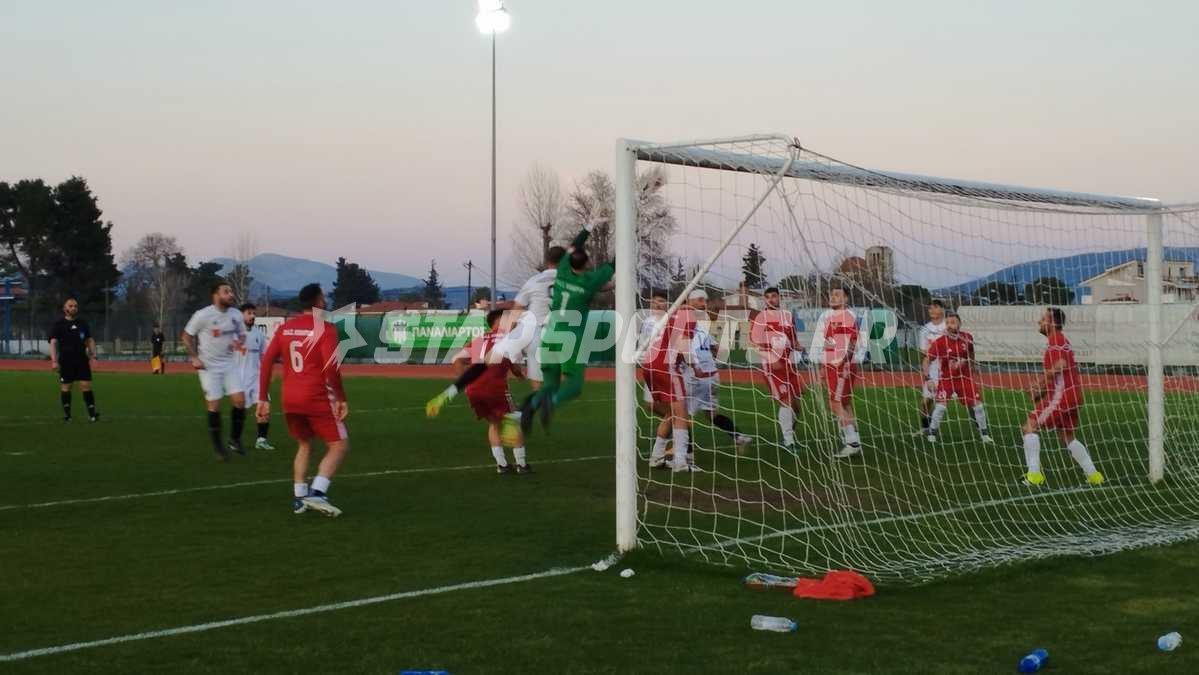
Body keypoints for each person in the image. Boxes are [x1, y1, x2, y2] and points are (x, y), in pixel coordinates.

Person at [257, 283, 350, 516]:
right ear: (318, 301)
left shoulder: (285, 328)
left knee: (304, 443)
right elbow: (331, 367)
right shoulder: (325, 329)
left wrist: (263, 397)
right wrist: (340, 397)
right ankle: (317, 493)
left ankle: (299, 498)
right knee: (339, 445)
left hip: (290, 398)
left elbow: (267, 361)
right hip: (316, 396)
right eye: (323, 297)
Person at [521, 223, 615, 432]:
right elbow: (613, 265)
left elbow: (574, 246)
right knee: (574, 386)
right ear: (587, 263)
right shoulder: (589, 281)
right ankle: (551, 403)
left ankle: (531, 407)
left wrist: (588, 228)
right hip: (570, 339)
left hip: (549, 335)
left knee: (550, 385)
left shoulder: (562, 271)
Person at [1020, 308, 1103, 487]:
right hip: (1073, 395)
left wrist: (1038, 382)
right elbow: (1059, 374)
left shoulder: (1056, 339)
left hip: (1062, 396)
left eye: (1043, 319)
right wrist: (1041, 392)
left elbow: (1061, 365)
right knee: (1067, 437)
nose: (1039, 322)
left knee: (1029, 426)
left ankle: (1034, 476)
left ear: (1053, 322)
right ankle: (1094, 476)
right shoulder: (1061, 340)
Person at [448, 309, 531, 474]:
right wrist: (520, 375)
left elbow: (457, 360)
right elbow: (516, 368)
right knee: (513, 422)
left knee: (494, 423)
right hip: (495, 388)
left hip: (474, 390)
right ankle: (521, 464)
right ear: (498, 320)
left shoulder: (480, 339)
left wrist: (466, 380)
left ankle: (502, 465)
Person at [182, 281, 247, 460]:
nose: (231, 294)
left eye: (231, 291)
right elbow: (186, 336)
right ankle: (218, 448)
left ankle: (235, 439)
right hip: (208, 367)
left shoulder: (236, 314)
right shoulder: (203, 315)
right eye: (226, 291)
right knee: (214, 405)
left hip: (229, 363)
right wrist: (194, 357)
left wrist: (239, 342)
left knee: (240, 401)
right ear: (216, 295)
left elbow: (242, 334)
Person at [687, 290, 752, 454]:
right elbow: (718, 350)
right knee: (712, 414)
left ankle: (686, 454)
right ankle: (739, 437)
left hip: (698, 376)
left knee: (682, 415)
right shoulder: (702, 330)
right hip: (713, 375)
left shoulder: (686, 327)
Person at [643, 292, 698, 472]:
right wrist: (695, 365)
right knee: (681, 414)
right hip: (667, 367)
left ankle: (656, 457)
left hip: (649, 365)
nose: (703, 303)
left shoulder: (669, 317)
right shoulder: (688, 317)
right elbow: (683, 348)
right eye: (699, 300)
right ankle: (680, 462)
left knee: (671, 413)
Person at [922, 311, 993, 444]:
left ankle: (984, 435)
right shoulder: (940, 342)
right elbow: (926, 360)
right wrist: (928, 379)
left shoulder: (967, 337)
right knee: (941, 408)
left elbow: (971, 351)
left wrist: (972, 365)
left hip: (965, 379)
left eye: (953, 322)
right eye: (947, 323)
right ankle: (932, 434)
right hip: (947, 380)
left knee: (978, 407)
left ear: (959, 324)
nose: (949, 325)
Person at [750, 287, 805, 452]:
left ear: (779, 297)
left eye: (773, 296)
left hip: (789, 364)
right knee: (786, 401)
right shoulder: (761, 317)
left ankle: (788, 435)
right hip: (772, 367)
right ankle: (788, 442)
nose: (770, 299)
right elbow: (753, 344)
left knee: (796, 406)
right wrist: (770, 358)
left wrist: (800, 347)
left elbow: (793, 340)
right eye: (767, 297)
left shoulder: (788, 315)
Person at [512, 245, 566, 392]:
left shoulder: (534, 281)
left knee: (537, 377)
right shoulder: (571, 280)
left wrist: (511, 332)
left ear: (547, 261)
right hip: (563, 331)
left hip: (537, 331)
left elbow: (517, 308)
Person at [820, 287, 862, 458]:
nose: (833, 296)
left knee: (835, 404)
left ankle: (852, 443)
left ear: (846, 299)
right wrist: (823, 367)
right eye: (831, 294)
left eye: (837, 294)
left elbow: (853, 343)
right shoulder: (830, 319)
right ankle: (855, 440)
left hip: (842, 367)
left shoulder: (847, 317)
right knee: (844, 404)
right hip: (831, 366)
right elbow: (828, 345)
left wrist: (842, 361)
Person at [48, 297, 100, 422]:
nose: (73, 308)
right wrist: (54, 361)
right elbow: (53, 342)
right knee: (67, 386)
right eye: (70, 306)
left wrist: (93, 356)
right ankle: (67, 416)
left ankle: (92, 415)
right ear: (64, 308)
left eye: (75, 306)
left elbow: (89, 340)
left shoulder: (82, 323)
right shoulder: (59, 324)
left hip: (82, 360)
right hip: (66, 360)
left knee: (86, 385)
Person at [238, 303, 274, 450]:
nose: (252, 316)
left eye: (254, 313)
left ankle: (261, 440)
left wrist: (268, 374)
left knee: (265, 407)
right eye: (249, 313)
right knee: (241, 412)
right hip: (240, 380)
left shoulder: (259, 334)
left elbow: (264, 356)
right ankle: (236, 440)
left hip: (258, 378)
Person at [916, 299, 947, 436]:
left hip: (948, 368)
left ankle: (982, 431)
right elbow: (923, 352)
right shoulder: (925, 329)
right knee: (925, 402)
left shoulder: (948, 325)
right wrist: (926, 373)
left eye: (935, 307)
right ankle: (925, 428)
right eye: (930, 308)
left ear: (942, 310)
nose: (932, 310)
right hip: (932, 368)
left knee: (970, 401)